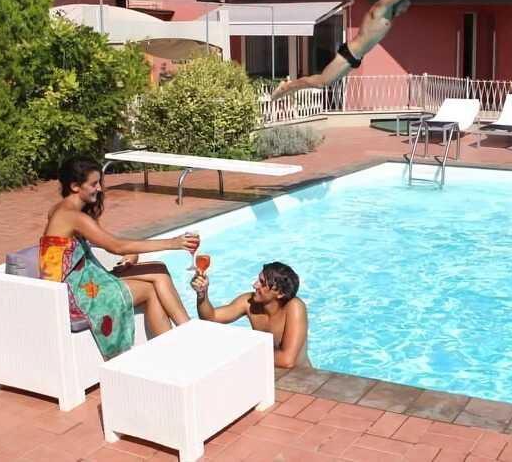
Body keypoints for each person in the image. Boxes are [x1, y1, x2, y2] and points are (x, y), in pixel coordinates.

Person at [40, 156, 198, 359]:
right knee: (152, 288)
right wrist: (172, 243)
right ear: (75, 186)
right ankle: (184, 345)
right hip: (75, 293)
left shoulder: (62, 210)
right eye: (94, 184)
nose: (99, 189)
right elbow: (115, 246)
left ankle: (185, 337)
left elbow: (96, 243)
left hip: (84, 279)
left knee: (158, 269)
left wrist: (131, 253)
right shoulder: (72, 216)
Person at [270, 0, 442, 99]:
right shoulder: (382, 7)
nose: (405, 10)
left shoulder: (389, 17)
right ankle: (286, 87)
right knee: (322, 82)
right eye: (404, 6)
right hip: (349, 53)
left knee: (325, 83)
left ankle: (289, 89)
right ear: (397, 0)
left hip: (356, 58)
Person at [191, 262, 310, 369]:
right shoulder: (249, 302)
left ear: (280, 293)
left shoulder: (294, 307)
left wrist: (241, 351)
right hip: (267, 371)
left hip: (301, 378)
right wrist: (202, 293)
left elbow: (287, 360)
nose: (255, 285)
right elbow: (210, 317)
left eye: (262, 283)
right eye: (258, 280)